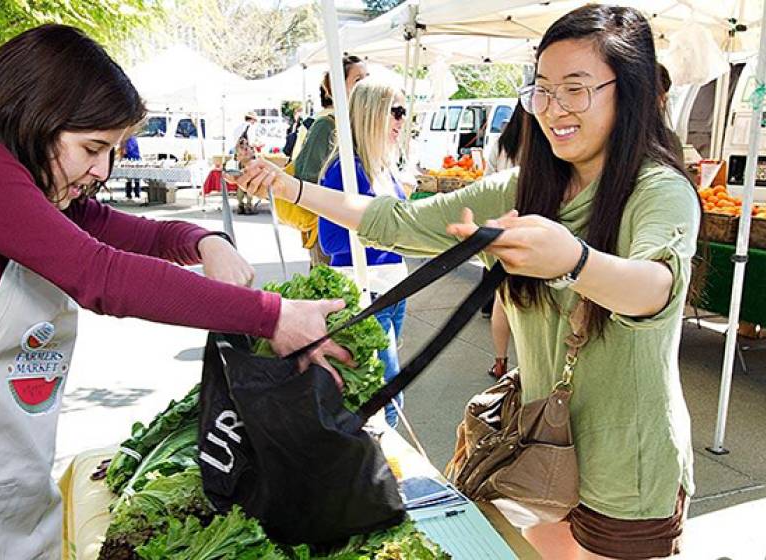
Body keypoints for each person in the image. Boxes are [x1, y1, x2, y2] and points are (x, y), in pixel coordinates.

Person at [234, 5, 699, 559]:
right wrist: (291, 188)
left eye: (575, 90)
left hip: (628, 467)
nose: (553, 110)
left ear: (635, 92)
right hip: (540, 451)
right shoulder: (528, 186)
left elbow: (656, 288)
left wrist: (572, 261)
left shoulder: (659, 189)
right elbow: (400, 221)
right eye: (542, 91)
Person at [0, 24, 351, 558]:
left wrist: (206, 239)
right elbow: (104, 276)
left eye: (113, 150)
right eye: (92, 147)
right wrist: (270, 314)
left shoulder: (46, 200)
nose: (102, 170)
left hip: (10, 489)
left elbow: (151, 235)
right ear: (31, 116)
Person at [317, 77, 409, 429]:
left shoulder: (383, 166)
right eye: (395, 111)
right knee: (386, 399)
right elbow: (331, 242)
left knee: (384, 391)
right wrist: (383, 229)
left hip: (393, 290)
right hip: (365, 293)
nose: (402, 120)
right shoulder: (346, 169)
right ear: (372, 114)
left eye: (404, 111)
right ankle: (382, 473)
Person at [286, 55, 368, 268]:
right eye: (358, 79)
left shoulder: (358, 125)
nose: (366, 85)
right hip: (330, 234)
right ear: (337, 88)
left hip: (357, 230)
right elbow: (305, 178)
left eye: (367, 77)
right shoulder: (326, 125)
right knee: (330, 293)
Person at [482, 103, 526, 379]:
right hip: (538, 231)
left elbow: (486, 185)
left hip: (503, 230)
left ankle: (500, 362)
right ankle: (532, 369)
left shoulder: (501, 144)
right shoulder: (546, 143)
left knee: (503, 301)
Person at [234, 134, 258, 214]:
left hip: (245, 172)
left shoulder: (238, 150)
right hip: (246, 171)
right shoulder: (248, 150)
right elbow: (254, 158)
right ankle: (246, 206)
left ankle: (243, 206)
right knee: (246, 189)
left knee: (244, 188)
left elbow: (237, 159)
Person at [119, 132, 142, 199]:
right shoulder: (133, 139)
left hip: (130, 160)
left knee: (129, 178)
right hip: (135, 160)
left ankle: (129, 194)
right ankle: (136, 194)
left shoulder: (127, 140)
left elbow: (125, 152)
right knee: (135, 178)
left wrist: (122, 156)